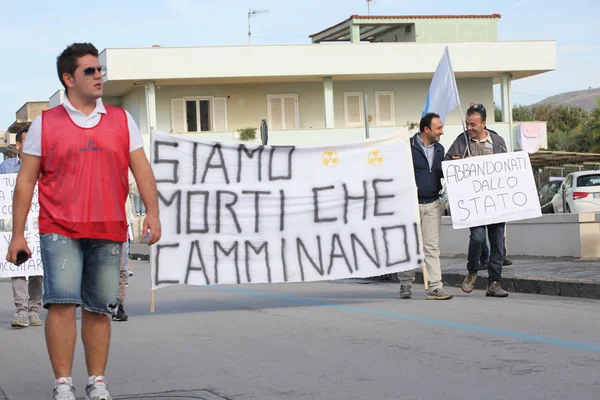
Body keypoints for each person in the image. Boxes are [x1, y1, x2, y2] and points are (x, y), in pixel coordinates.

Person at [6, 43, 161, 400]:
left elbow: (141, 168)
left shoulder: (123, 120)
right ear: (68, 78)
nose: (98, 76)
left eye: (99, 70)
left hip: (108, 230)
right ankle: (63, 384)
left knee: (98, 308)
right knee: (61, 305)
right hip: (59, 229)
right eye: (89, 71)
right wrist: (17, 235)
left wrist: (152, 212)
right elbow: (26, 180)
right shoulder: (46, 124)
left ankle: (97, 381)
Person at [444, 104, 509, 297]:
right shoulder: (461, 141)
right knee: (478, 238)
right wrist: (454, 163)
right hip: (473, 204)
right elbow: (446, 163)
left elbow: (508, 167)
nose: (469, 127)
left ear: (484, 123)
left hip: (496, 202)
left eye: (473, 124)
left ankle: (494, 283)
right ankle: (472, 270)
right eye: (467, 124)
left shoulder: (497, 142)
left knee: (497, 243)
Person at [398, 112, 454, 300]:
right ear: (426, 129)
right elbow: (396, 172)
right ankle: (405, 284)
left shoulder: (440, 150)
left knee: (431, 246)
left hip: (432, 204)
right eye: (439, 128)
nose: (442, 132)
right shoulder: (407, 147)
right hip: (410, 205)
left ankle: (435, 287)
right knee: (409, 245)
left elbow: (442, 173)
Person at [0, 126, 44, 328]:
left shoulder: (43, 166)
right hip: (15, 224)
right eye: (27, 141)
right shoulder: (6, 168)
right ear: (18, 145)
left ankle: (34, 310)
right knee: (18, 265)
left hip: (37, 224)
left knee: (37, 269)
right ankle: (21, 310)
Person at [112, 192, 134, 322]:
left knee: (121, 269)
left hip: (121, 226)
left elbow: (134, 187)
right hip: (101, 224)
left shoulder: (124, 175)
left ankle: (118, 305)